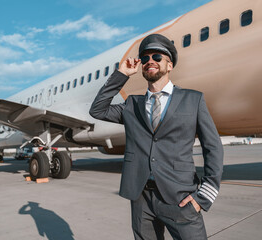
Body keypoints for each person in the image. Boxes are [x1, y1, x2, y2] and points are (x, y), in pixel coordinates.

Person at [89, 34, 223, 240]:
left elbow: (213, 147)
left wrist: (204, 196)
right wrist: (121, 74)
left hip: (180, 197)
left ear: (169, 65)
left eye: (157, 57)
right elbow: (98, 110)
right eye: (145, 58)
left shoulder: (193, 99)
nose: (150, 60)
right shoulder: (131, 105)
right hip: (141, 197)